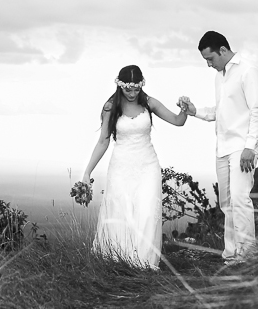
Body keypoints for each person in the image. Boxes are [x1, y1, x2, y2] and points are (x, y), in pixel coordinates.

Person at [80, 65, 188, 269]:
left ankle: (144, 264)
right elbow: (103, 141)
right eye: (128, 89)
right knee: (121, 214)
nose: (131, 93)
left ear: (141, 86)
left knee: (146, 212)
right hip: (120, 167)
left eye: (136, 89)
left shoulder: (149, 103)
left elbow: (177, 121)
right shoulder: (110, 107)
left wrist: (185, 108)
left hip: (148, 167)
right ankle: (118, 261)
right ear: (120, 85)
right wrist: (87, 171)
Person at [178, 31, 258, 265]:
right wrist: (194, 110)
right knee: (227, 204)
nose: (209, 64)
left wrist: (250, 147)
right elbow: (220, 113)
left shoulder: (249, 70)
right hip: (222, 148)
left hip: (242, 147)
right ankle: (231, 255)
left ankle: (247, 257)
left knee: (240, 200)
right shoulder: (220, 76)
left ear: (223, 51)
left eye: (211, 59)